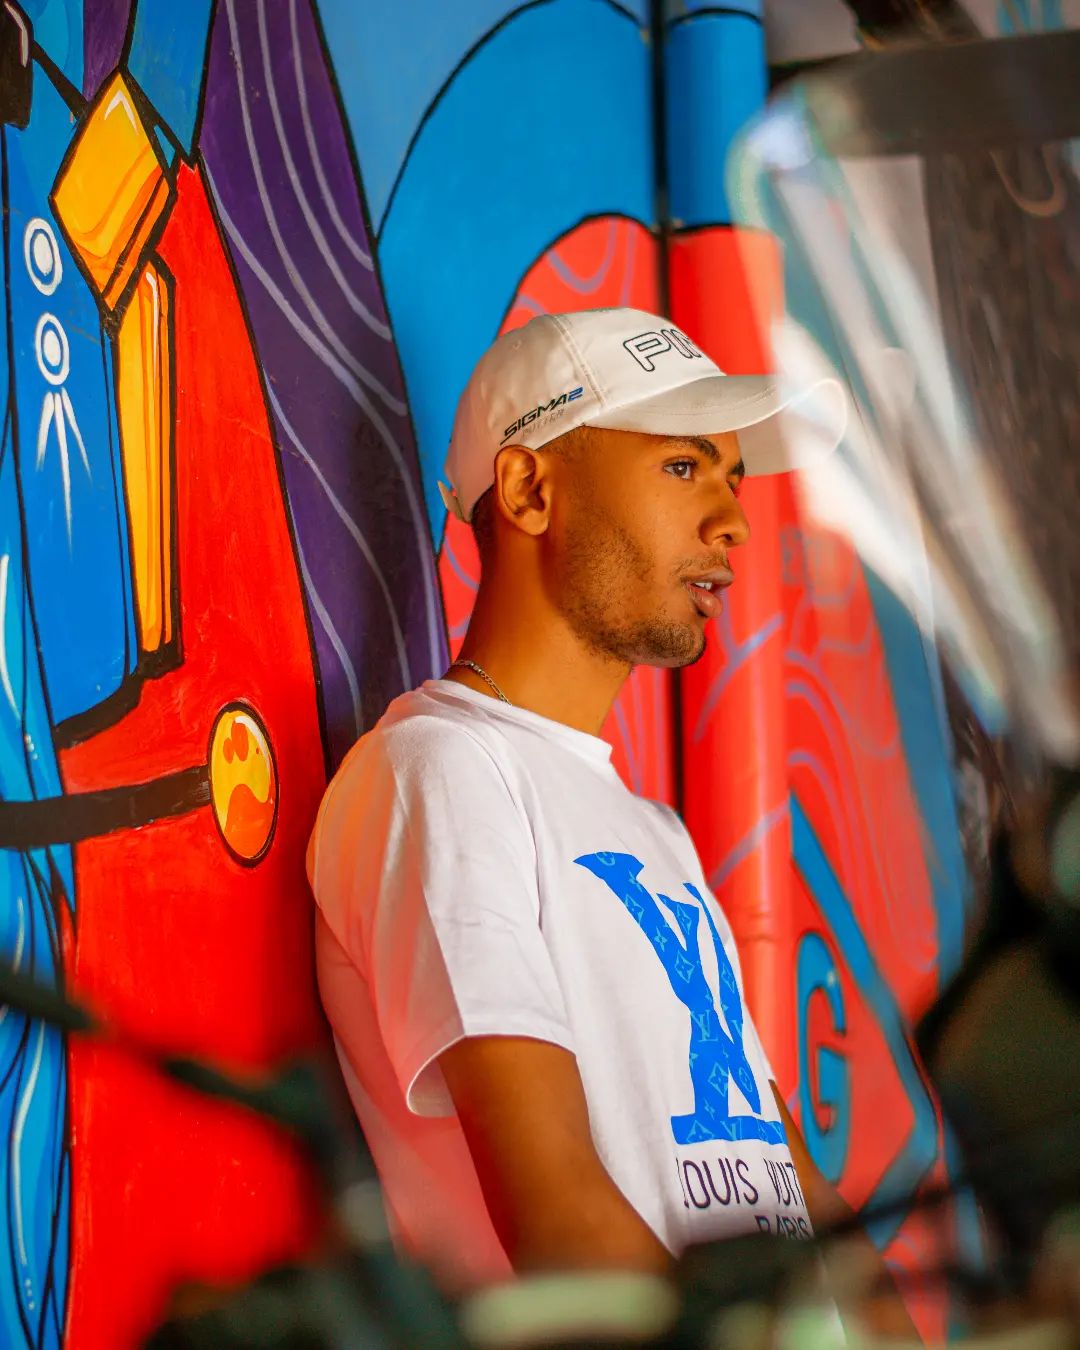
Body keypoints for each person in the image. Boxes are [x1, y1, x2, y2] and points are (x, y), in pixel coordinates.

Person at [307, 307, 888, 1303]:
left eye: (734, 476)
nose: (733, 522)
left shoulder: (652, 831)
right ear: (530, 489)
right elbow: (563, 1226)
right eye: (683, 466)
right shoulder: (441, 771)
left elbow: (784, 1177)